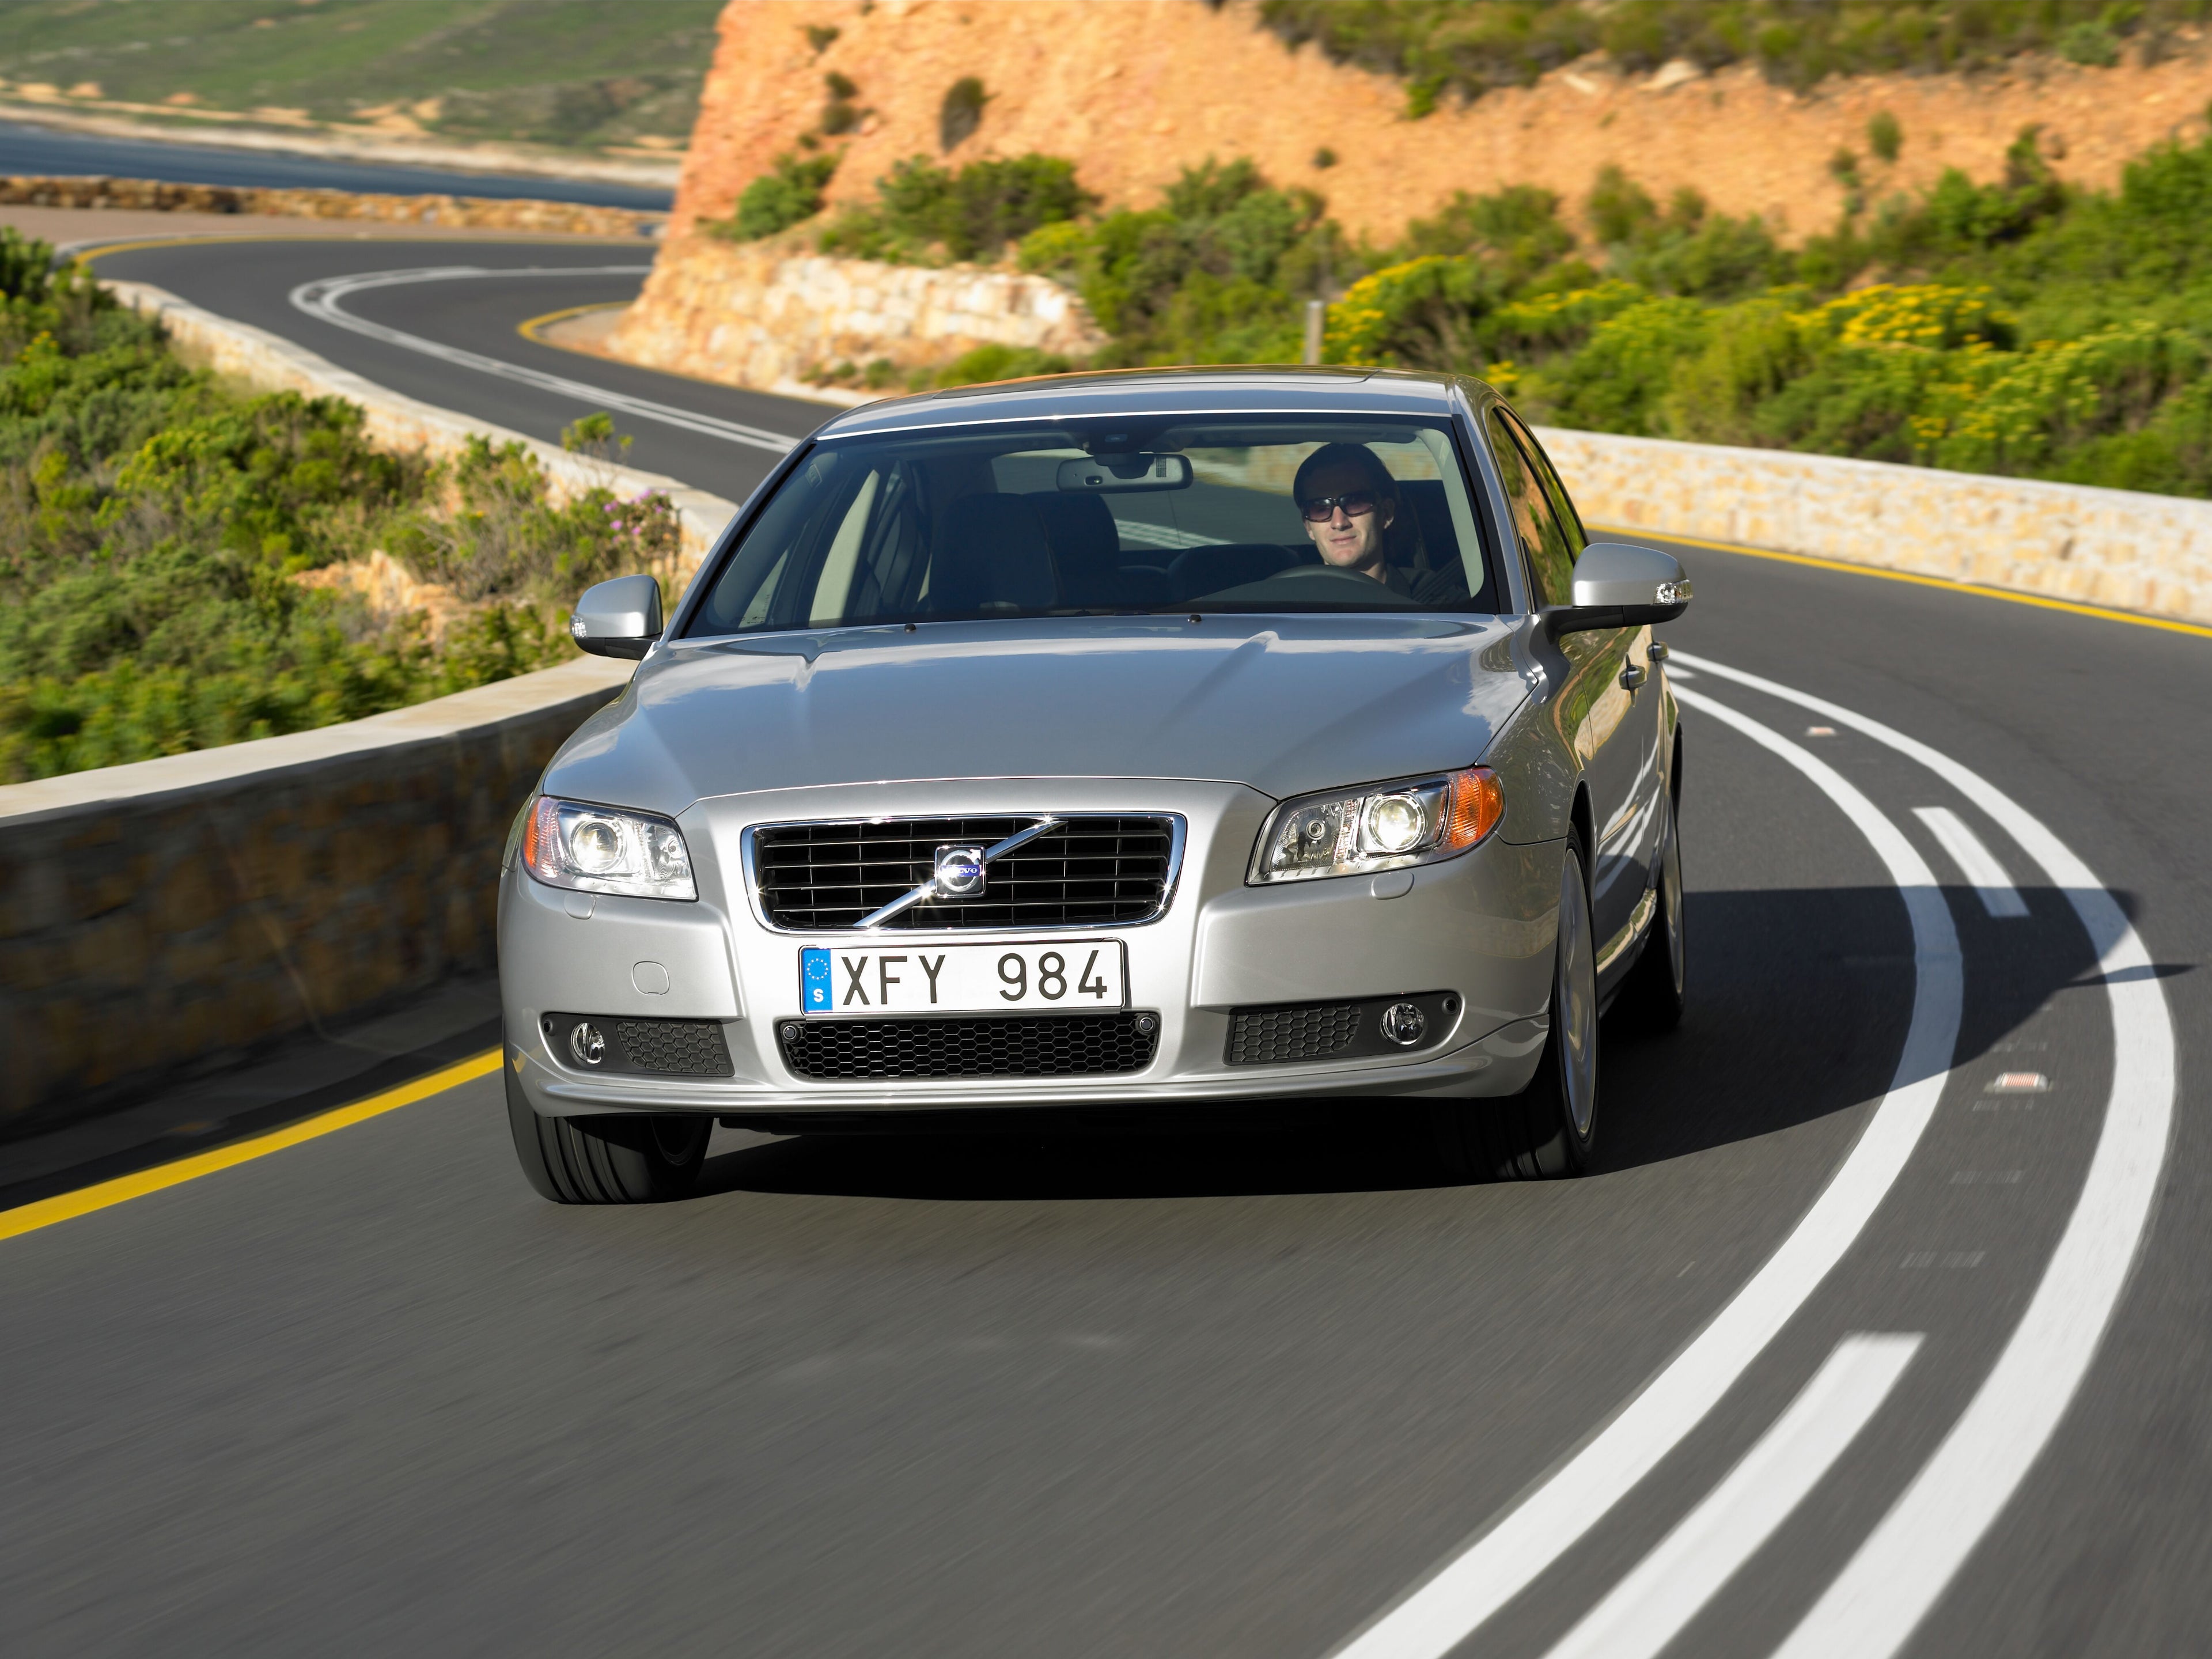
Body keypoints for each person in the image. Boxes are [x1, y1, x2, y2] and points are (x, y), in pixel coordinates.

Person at [1291, 442, 1418, 593]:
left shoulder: (1433, 598)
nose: (1339, 523)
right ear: (1308, 526)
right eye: (1320, 509)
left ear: (1386, 513)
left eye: (1354, 503)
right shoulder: (1283, 601)